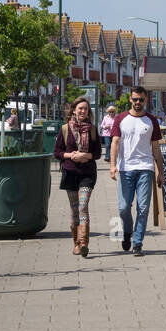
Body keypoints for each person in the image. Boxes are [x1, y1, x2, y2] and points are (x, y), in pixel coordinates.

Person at [109, 86, 163, 257]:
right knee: (123, 208)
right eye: (135, 99)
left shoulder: (151, 120)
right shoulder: (120, 119)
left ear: (145, 100)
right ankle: (126, 231)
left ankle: (138, 242)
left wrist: (161, 171)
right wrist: (112, 165)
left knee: (144, 207)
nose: (138, 102)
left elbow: (156, 148)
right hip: (126, 168)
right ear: (130, 100)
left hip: (145, 168)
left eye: (141, 99)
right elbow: (115, 143)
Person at [54, 98, 102, 257]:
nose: (83, 112)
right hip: (70, 172)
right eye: (80, 108)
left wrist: (85, 155)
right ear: (73, 110)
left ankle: (83, 243)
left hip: (87, 174)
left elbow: (97, 154)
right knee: (75, 210)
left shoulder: (93, 130)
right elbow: (57, 152)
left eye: (86, 109)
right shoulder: (65, 129)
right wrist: (71, 155)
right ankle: (76, 243)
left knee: (83, 206)